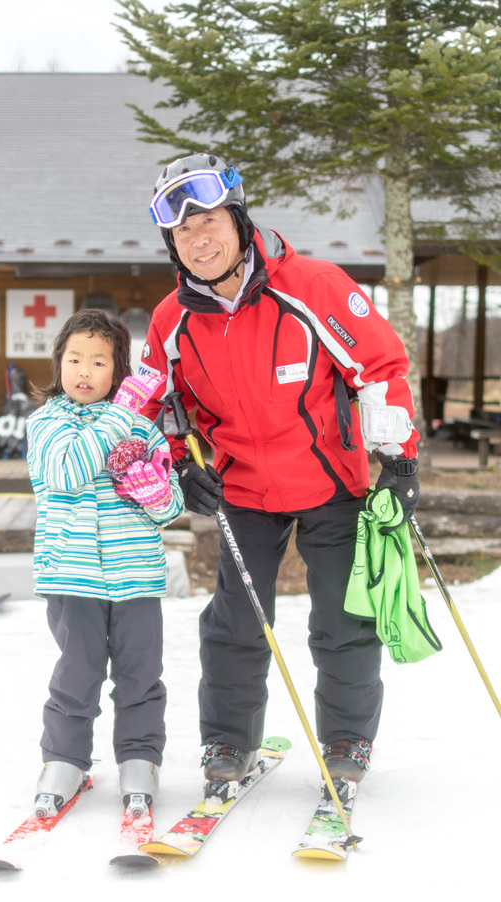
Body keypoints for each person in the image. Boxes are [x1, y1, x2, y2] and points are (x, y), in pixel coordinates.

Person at [138, 153, 420, 798]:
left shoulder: (313, 285)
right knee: (235, 622)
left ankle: (347, 740)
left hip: (330, 482)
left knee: (344, 621)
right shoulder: (171, 318)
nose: (197, 239)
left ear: (238, 218)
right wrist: (180, 464)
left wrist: (398, 459)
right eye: (181, 232)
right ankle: (229, 742)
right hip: (243, 490)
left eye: (207, 220)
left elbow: (378, 368)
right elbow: (156, 404)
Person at [26, 308, 184, 818]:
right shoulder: (45, 423)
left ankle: (140, 758)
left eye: (99, 361)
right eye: (75, 359)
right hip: (72, 575)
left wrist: (155, 492)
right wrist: (121, 417)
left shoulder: (144, 428)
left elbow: (172, 507)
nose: (84, 371)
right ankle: (64, 760)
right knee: (79, 671)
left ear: (118, 370)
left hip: (135, 573)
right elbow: (69, 473)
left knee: (141, 674)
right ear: (60, 364)